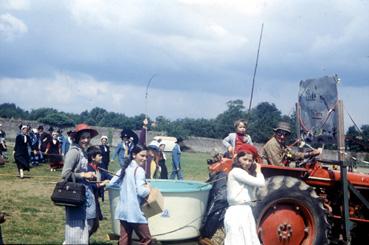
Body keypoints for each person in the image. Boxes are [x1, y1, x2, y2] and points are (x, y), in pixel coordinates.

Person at [61, 123, 99, 244]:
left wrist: (89, 177)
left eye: (88, 137)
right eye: (83, 137)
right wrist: (83, 175)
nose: (86, 140)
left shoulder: (83, 151)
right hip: (75, 194)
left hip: (85, 193)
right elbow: (65, 174)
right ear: (77, 138)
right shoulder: (74, 152)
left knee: (90, 223)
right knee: (76, 226)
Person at [108, 144, 152, 245]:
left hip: (123, 211)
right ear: (133, 155)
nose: (145, 159)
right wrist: (148, 188)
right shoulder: (140, 170)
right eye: (142, 156)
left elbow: (111, 183)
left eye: (146, 156)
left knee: (124, 239)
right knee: (147, 239)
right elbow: (141, 192)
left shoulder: (124, 168)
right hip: (135, 212)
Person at [224, 145, 265, 245]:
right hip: (237, 211)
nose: (247, 163)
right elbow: (261, 183)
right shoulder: (236, 172)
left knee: (247, 240)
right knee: (238, 240)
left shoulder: (244, 173)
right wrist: (258, 171)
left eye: (250, 161)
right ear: (238, 159)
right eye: (244, 159)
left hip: (245, 211)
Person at [85, 146, 110, 237]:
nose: (101, 157)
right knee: (90, 224)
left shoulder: (99, 168)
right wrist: (102, 184)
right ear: (92, 157)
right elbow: (89, 185)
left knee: (95, 225)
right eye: (99, 155)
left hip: (95, 199)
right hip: (88, 199)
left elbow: (108, 176)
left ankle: (84, 240)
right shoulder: (88, 169)